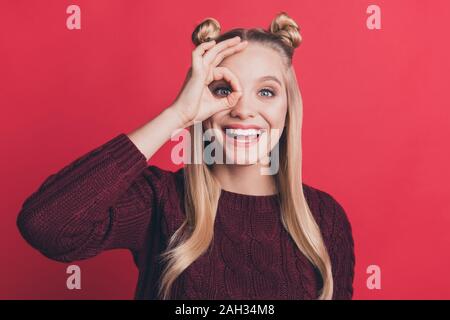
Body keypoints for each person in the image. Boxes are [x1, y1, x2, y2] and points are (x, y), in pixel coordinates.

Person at [17, 12, 355, 300]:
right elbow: (46, 225)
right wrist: (177, 115)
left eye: (266, 92)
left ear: (288, 108)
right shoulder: (160, 200)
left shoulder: (323, 219)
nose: (243, 109)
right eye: (224, 89)